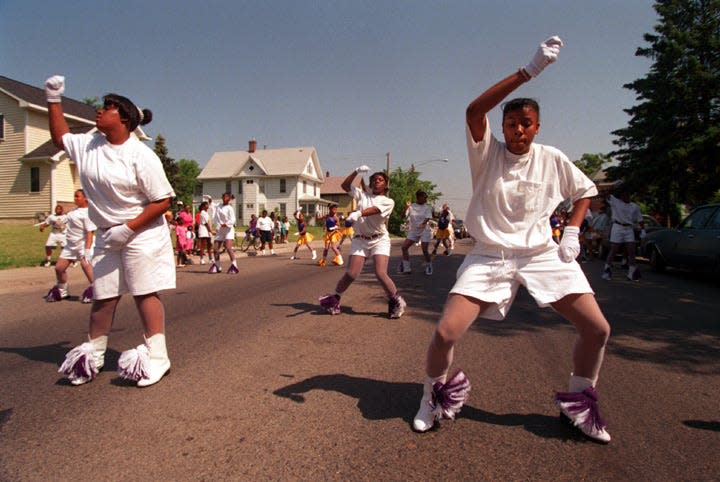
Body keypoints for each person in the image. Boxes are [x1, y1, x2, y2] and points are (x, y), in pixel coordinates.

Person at [411, 37, 612, 443]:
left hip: (540, 253)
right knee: (446, 332)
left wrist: (571, 228)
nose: (518, 130)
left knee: (597, 329)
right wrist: (528, 72)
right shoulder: (487, 154)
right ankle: (431, 396)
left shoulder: (553, 157)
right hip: (490, 255)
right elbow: (473, 110)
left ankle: (577, 406)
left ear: (537, 127)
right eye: (511, 124)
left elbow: (585, 191)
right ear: (502, 128)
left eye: (526, 124)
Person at [46, 75, 174, 387]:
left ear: (125, 118)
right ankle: (93, 356)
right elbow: (60, 136)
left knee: (144, 293)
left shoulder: (141, 155)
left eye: (109, 107)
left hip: (141, 232)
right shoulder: (88, 145)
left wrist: (128, 229)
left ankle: (158, 357)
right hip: (106, 234)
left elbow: (163, 200)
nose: (100, 111)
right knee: (104, 297)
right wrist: (53, 100)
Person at [319, 167, 407, 318]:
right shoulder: (362, 195)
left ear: (386, 185)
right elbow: (345, 186)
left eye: (380, 180)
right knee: (351, 274)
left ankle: (396, 300)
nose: (376, 182)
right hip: (360, 239)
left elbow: (375, 210)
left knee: (380, 273)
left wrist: (358, 213)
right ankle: (335, 299)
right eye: (373, 179)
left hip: (379, 239)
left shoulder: (388, 201)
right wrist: (355, 171)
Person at [45, 189, 96, 303]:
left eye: (77, 196)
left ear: (85, 198)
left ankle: (96, 290)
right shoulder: (74, 211)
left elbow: (90, 233)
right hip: (70, 245)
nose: (75, 199)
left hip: (83, 245)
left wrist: (87, 250)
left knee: (86, 266)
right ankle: (63, 290)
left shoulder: (88, 214)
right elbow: (65, 220)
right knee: (59, 268)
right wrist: (58, 223)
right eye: (74, 196)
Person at [602, 185, 643, 281]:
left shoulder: (634, 206)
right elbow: (606, 195)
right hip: (617, 227)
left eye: (627, 195)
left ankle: (632, 272)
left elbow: (640, 218)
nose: (625, 197)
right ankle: (607, 269)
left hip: (628, 228)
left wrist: (643, 230)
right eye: (623, 195)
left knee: (631, 250)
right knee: (614, 250)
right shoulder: (616, 202)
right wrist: (612, 187)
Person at [399, 190, 434, 275]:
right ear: (418, 197)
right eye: (424, 198)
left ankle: (429, 265)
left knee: (424, 249)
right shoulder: (411, 206)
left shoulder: (426, 208)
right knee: (404, 247)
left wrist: (423, 224)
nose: (426, 199)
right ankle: (406, 267)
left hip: (424, 230)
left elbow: (428, 217)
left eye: (426, 198)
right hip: (414, 230)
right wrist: (406, 207)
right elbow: (403, 216)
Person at [209, 192, 239, 274]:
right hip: (220, 229)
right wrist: (210, 200)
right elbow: (213, 206)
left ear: (229, 198)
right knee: (215, 249)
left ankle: (234, 264)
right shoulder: (218, 205)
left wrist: (226, 224)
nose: (224, 198)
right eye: (223, 196)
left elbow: (233, 219)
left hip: (228, 229)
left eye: (226, 197)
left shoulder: (230, 208)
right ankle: (218, 266)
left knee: (228, 247)